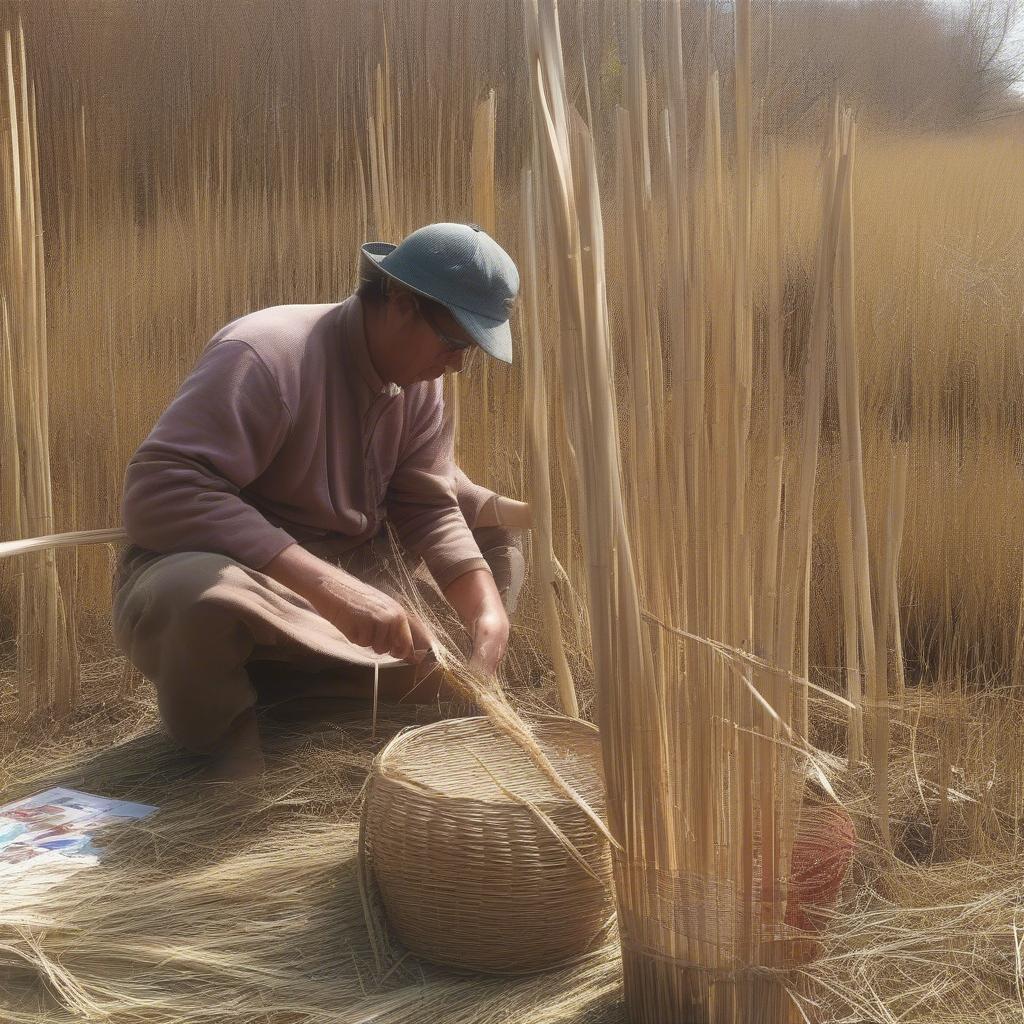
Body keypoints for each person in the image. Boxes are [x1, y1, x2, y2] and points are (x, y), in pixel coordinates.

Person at [112, 223, 531, 779]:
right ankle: (229, 761)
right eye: (455, 343)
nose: (457, 365)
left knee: (498, 554)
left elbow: (429, 505)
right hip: (252, 586)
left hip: (354, 590)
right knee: (193, 598)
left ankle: (306, 700)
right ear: (401, 305)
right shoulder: (265, 354)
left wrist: (487, 612)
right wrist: (332, 591)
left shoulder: (420, 387)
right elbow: (160, 487)